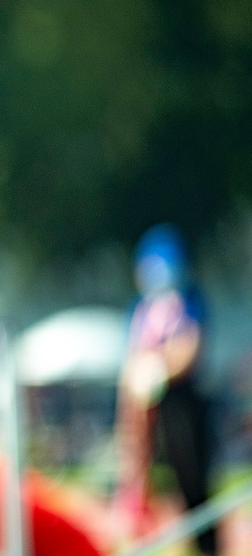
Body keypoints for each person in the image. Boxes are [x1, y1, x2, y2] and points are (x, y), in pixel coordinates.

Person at [114, 224, 217, 555]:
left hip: (180, 404)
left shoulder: (190, 300)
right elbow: (132, 359)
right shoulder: (141, 308)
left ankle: (205, 546)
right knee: (138, 483)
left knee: (191, 483)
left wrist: (158, 370)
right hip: (145, 408)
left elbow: (190, 350)